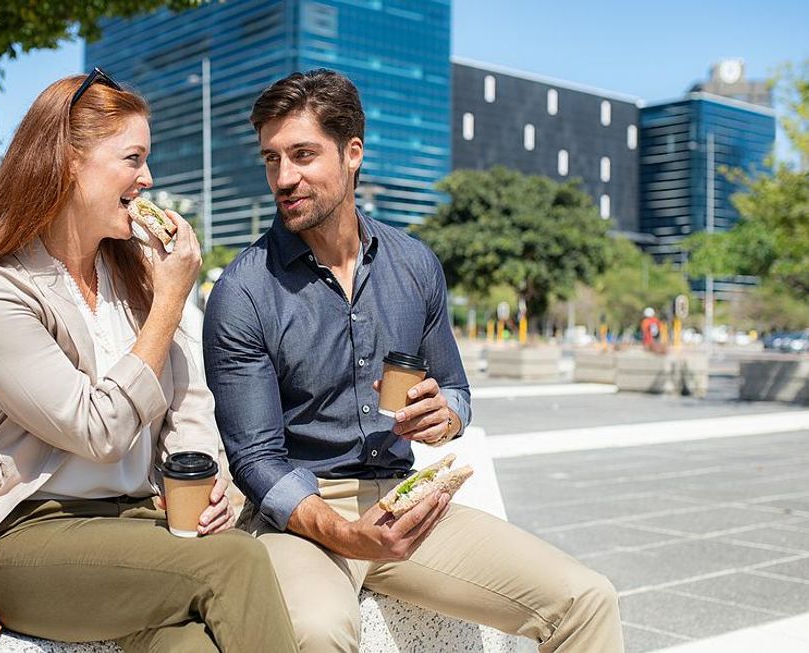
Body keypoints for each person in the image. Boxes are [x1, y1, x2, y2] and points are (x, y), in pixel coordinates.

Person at [203, 69, 624, 653]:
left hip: (403, 502)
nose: (284, 177)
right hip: (299, 519)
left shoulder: (415, 265)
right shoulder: (243, 292)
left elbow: (456, 391)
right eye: (271, 159)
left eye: (302, 155)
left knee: (587, 599)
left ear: (353, 153)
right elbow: (254, 459)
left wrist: (443, 415)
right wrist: (346, 533)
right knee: (317, 632)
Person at [0, 70, 297, 653]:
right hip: (29, 534)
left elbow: (187, 392)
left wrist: (202, 477)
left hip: (135, 526)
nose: (148, 178)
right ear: (67, 163)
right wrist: (170, 300)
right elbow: (98, 429)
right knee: (236, 560)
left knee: (189, 645)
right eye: (133, 159)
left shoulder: (129, 275)